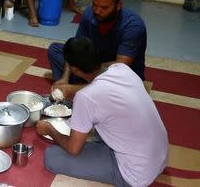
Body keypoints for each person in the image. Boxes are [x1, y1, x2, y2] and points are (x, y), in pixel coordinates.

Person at [37, 37, 168, 186]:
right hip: (159, 157)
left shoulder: (85, 97)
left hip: (135, 173)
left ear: (74, 69)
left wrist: (49, 129)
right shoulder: (122, 69)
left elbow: (73, 149)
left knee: (52, 156)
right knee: (100, 123)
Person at [48, 0, 146, 99]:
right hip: (93, 66)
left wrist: (87, 71)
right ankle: (79, 87)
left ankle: (79, 89)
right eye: (94, 5)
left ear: (118, 5)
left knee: (119, 87)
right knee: (55, 50)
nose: (97, 11)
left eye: (104, 8)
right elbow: (76, 48)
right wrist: (65, 78)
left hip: (117, 75)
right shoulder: (89, 14)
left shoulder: (133, 26)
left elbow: (121, 67)